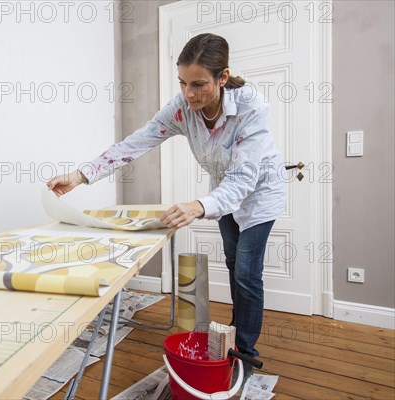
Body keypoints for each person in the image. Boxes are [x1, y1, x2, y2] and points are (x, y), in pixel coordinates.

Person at [47, 33, 286, 382]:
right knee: (235, 265)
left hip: (259, 193)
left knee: (248, 274)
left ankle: (245, 353)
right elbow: (136, 143)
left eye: (199, 84)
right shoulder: (181, 108)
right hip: (222, 194)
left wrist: (198, 206)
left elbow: (244, 179)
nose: (189, 94)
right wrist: (82, 174)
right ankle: (236, 328)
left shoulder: (252, 108)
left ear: (222, 77)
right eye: (183, 83)